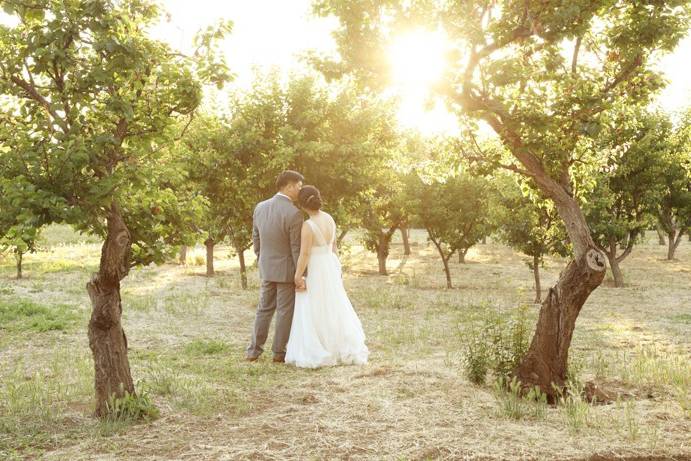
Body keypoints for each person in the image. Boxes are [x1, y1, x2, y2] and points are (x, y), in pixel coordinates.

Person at [285, 185, 369, 368]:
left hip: (316, 266)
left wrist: (298, 275)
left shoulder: (308, 226)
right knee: (333, 303)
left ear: (302, 205)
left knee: (315, 304)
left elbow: (305, 254)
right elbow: (334, 246)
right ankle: (337, 345)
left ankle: (322, 346)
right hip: (330, 264)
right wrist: (336, 266)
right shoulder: (329, 218)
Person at [246, 170, 304, 363]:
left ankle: (253, 351)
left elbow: (256, 237)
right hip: (287, 269)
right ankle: (279, 352)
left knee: (264, 309)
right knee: (285, 311)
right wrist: (301, 273)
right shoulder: (294, 214)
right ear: (288, 186)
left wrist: (261, 256)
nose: (299, 190)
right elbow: (296, 248)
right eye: (298, 186)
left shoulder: (260, 207)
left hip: (267, 266)